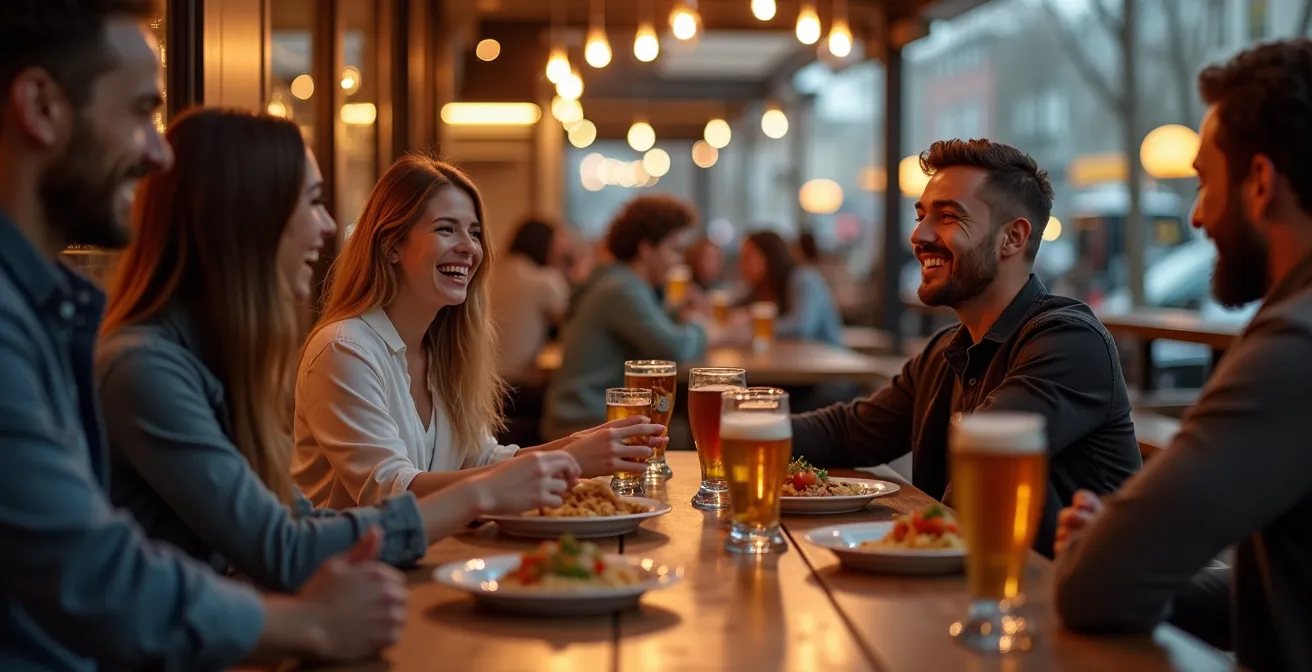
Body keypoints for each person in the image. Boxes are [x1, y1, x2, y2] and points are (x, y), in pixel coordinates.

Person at [0, 2, 405, 668]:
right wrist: (309, 623)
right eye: (141, 113)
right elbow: (96, 575)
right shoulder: (98, 347)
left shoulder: (52, 314)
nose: (159, 151)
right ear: (42, 107)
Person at [96, 108, 583, 594]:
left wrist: (556, 459)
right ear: (247, 216)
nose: (329, 226)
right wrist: (482, 493)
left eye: (473, 232)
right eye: (312, 202)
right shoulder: (146, 368)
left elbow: (297, 523)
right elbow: (283, 548)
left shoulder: (217, 359)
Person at [1054, 40, 1312, 671]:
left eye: (1203, 181)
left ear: (1259, 182)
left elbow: (1090, 589)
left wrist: (1109, 555)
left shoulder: (1294, 349)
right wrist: (1129, 557)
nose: (1196, 217)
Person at [789, 139, 1141, 556]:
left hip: (1047, 591)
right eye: (921, 216)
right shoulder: (946, 350)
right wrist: (743, 423)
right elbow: (849, 432)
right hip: (962, 582)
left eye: (948, 217)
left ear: (1013, 238)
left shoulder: (1068, 343)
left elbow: (983, 472)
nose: (918, 235)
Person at [294, 156, 663, 509]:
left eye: (473, 232)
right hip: (356, 555)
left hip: (438, 549)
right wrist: (566, 459)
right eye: (445, 229)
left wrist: (571, 445)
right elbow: (392, 494)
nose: (469, 247)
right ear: (391, 245)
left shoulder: (442, 349)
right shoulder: (345, 349)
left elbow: (481, 459)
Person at [542, 194, 710, 440]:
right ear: (646, 249)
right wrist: (699, 324)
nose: (680, 261)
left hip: (584, 415)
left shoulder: (615, 279)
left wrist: (678, 312)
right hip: (585, 421)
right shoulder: (623, 288)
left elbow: (647, 325)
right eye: (675, 250)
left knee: (677, 424)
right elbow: (674, 348)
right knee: (690, 432)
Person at [489, 216, 570, 379]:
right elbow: (571, 323)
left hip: (481, 377)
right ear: (545, 245)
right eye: (556, 246)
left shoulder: (489, 274)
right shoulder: (545, 281)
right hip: (519, 381)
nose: (558, 252)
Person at [739, 230, 844, 345]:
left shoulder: (803, 279)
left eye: (748, 257)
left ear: (769, 257)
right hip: (794, 353)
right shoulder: (764, 287)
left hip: (826, 353)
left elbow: (801, 327)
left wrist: (754, 325)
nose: (742, 264)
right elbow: (738, 307)